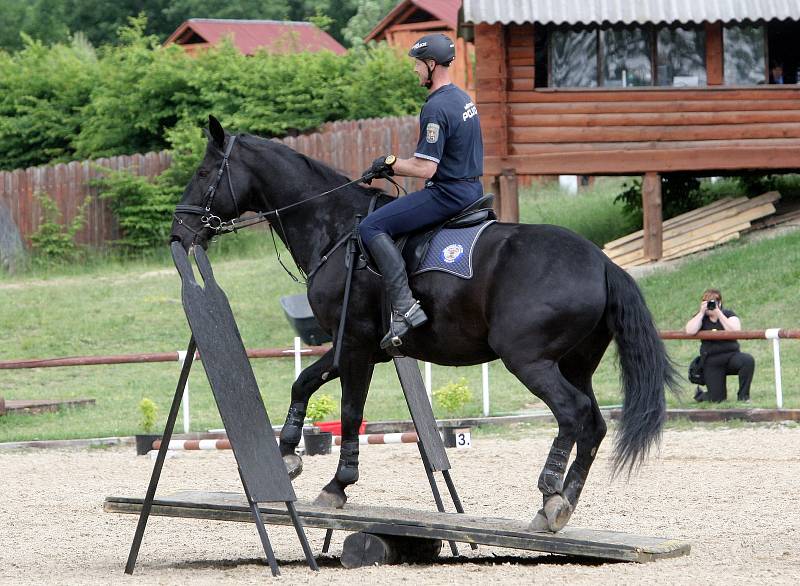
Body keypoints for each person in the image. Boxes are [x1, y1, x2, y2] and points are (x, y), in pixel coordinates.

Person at [357, 33, 484, 350]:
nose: (414, 70)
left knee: (370, 225)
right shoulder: (462, 98)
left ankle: (403, 305)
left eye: (417, 64)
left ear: (431, 64)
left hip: (449, 195)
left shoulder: (436, 108)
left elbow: (427, 169)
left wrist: (390, 162)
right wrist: (394, 164)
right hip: (472, 188)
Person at [684, 288, 755, 402]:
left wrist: (719, 313)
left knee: (747, 360)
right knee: (717, 399)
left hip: (731, 356)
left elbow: (735, 330)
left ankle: (743, 396)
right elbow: (690, 330)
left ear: (720, 303)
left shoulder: (728, 314)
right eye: (707, 302)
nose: (710, 305)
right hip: (712, 361)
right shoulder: (701, 318)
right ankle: (701, 395)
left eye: (713, 302)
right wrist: (701, 312)